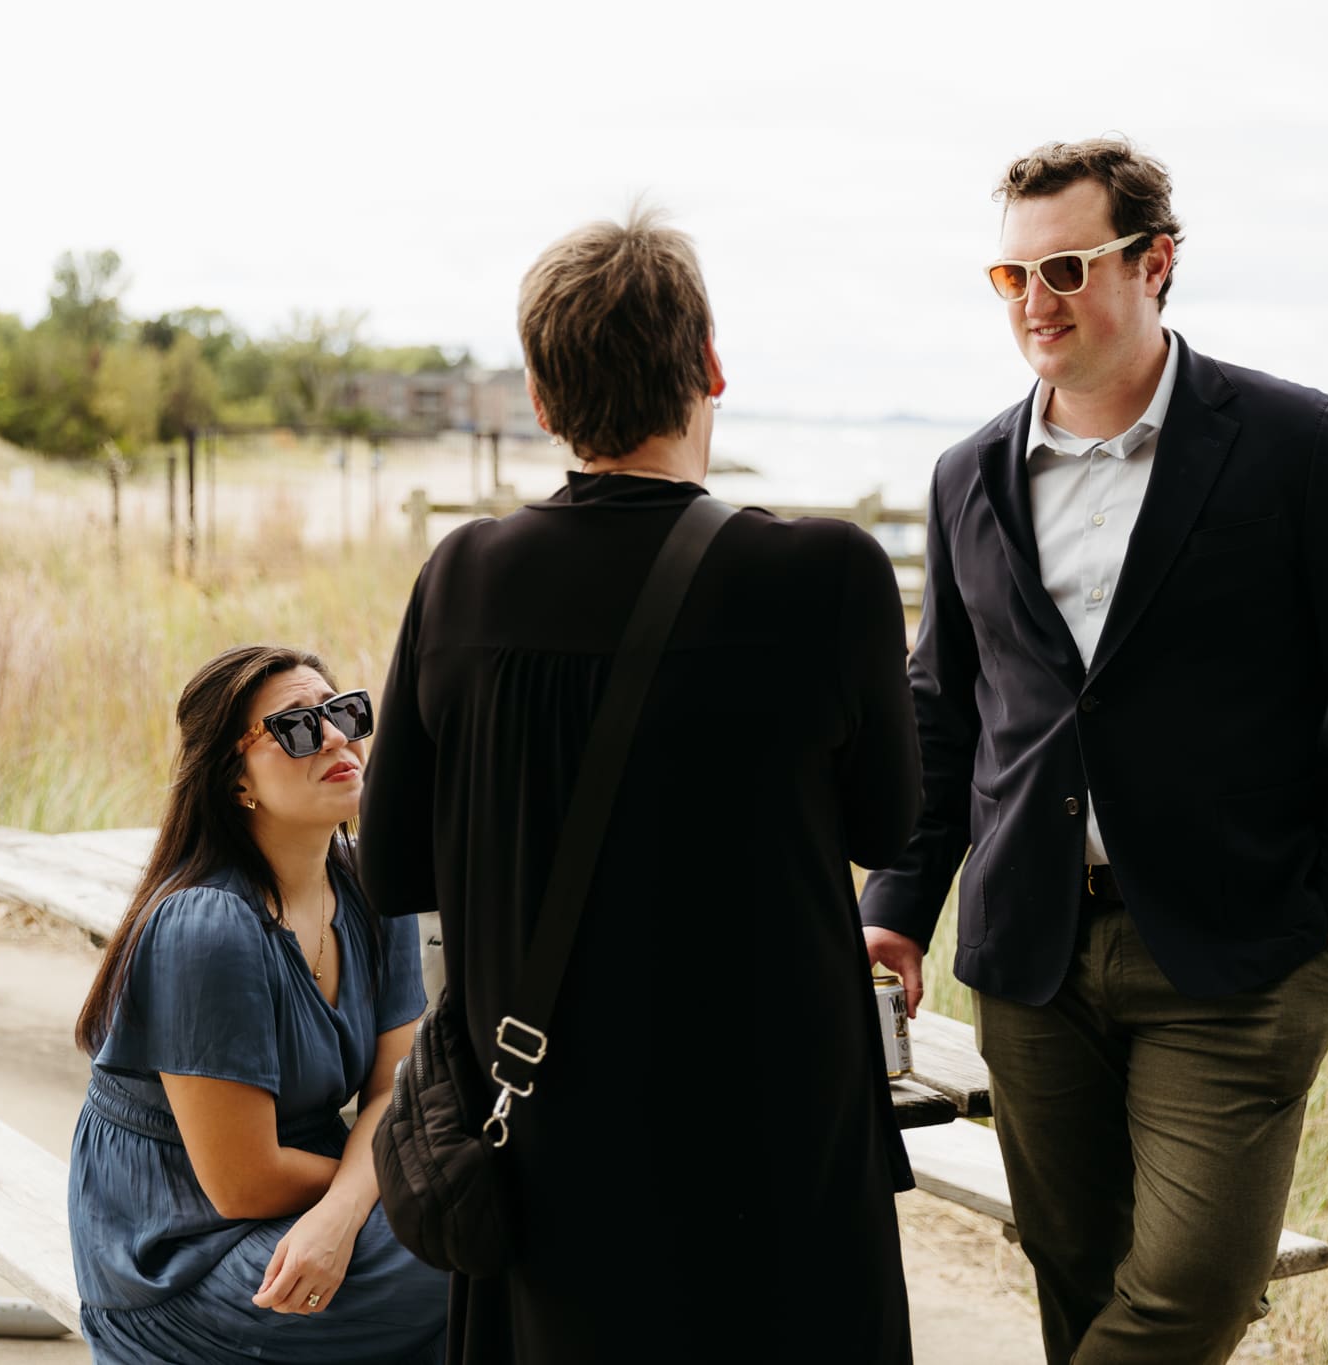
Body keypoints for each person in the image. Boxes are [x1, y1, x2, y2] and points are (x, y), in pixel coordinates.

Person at [860, 137, 1328, 1365]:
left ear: (1155, 261)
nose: (1036, 301)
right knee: (1076, 1273)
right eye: (1010, 275)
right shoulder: (966, 473)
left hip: (1235, 958)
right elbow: (944, 711)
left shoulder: (1296, 442)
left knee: (1187, 1286)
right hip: (1029, 954)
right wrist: (901, 906)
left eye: (1068, 267)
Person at [358, 208, 923, 1364]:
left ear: (539, 394)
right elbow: (887, 823)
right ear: (710, 366)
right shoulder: (827, 575)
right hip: (772, 1131)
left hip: (549, 1122)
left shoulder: (462, 577)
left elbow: (394, 865)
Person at [69, 645, 448, 1364]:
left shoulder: (374, 881)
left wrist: (342, 1211)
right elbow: (243, 1180)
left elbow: (393, 1093)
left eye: (346, 711)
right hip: (179, 1263)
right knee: (472, 1245)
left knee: (482, 1226)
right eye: (300, 727)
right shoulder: (209, 927)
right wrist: (382, 1182)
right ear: (235, 777)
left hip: (305, 1209)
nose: (338, 737)